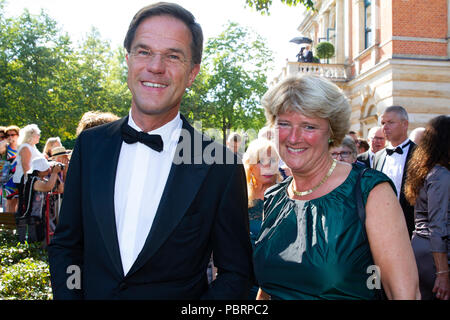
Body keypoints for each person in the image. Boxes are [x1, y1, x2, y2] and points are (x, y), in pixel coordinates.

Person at [48, 2, 252, 300]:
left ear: (192, 72)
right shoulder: (89, 146)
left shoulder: (221, 166)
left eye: (173, 56)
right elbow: (67, 246)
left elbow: (236, 273)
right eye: (144, 52)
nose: (155, 67)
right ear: (128, 60)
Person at [253, 74, 419, 300]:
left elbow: (404, 294)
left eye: (309, 126)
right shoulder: (274, 197)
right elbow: (267, 290)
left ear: (331, 133)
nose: (293, 137)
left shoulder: (369, 191)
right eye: (284, 123)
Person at [404, 115, 450, 300]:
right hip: (436, 255)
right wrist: (443, 272)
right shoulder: (441, 175)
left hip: (422, 248)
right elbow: (437, 226)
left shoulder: (427, 170)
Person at [242, 138, 280, 299]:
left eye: (272, 161)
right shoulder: (239, 197)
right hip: (243, 284)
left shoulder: (287, 196)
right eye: (261, 161)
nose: (268, 165)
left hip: (277, 285)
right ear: (250, 166)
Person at [373, 106, 417, 238]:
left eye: (390, 122)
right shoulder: (378, 156)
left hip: (410, 228)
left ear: (405, 124)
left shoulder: (419, 154)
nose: (385, 127)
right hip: (381, 227)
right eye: (383, 123)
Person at [16, 158, 63, 243]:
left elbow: (60, 189)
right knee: (34, 245)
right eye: (45, 167)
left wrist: (57, 175)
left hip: (39, 220)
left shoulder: (42, 180)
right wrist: (54, 172)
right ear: (38, 170)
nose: (48, 169)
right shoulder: (33, 180)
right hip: (30, 220)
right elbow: (48, 187)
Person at [12, 124, 44, 202]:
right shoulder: (25, 147)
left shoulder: (32, 146)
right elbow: (25, 165)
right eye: (38, 134)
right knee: (24, 202)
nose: (39, 136)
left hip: (30, 179)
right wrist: (28, 181)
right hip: (24, 180)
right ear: (31, 135)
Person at [2, 125, 20, 212]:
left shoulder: (22, 147)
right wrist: (5, 141)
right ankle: (8, 225)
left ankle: (17, 224)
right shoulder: (5, 148)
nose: (10, 137)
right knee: (9, 205)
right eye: (7, 135)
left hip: (20, 180)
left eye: (12, 135)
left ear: (18, 135)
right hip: (8, 181)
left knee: (19, 204)